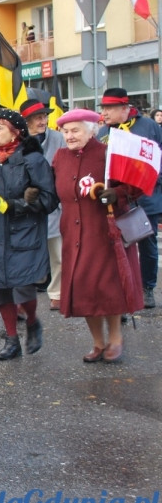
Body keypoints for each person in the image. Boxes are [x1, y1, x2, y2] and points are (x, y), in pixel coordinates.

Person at [53, 109, 142, 363]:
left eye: (75, 130)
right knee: (83, 289)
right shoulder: (59, 157)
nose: (69, 136)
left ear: (91, 130)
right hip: (72, 232)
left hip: (103, 232)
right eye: (66, 132)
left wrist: (117, 193)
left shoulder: (107, 154)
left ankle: (115, 339)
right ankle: (98, 342)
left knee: (107, 288)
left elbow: (133, 186)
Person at [0, 109, 58, 360]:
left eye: (0, 127)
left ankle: (32, 321)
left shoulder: (32, 159)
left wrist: (19, 205)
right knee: (0, 291)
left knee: (23, 290)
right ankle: (11, 340)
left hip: (24, 235)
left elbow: (49, 200)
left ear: (16, 131)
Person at [97, 87, 162, 309]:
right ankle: (121, 289)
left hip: (145, 198)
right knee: (115, 245)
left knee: (147, 244)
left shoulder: (148, 127)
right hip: (114, 200)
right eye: (103, 108)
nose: (104, 113)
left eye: (109, 108)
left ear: (124, 108)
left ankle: (147, 287)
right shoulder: (103, 132)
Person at [20, 99, 67, 310]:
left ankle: (57, 293)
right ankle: (22, 298)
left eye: (45, 116)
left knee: (58, 253)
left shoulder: (58, 138)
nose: (44, 120)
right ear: (27, 120)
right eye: (38, 117)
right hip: (27, 205)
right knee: (25, 255)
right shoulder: (17, 140)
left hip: (53, 204)